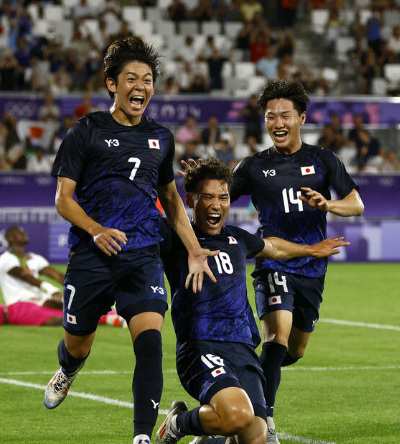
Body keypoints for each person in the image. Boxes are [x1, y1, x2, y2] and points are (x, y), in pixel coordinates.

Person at [43, 36, 218, 444]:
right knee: (78, 344)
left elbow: (171, 197)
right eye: (131, 79)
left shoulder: (161, 137)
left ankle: (141, 436)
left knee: (151, 342)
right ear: (112, 84)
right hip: (91, 256)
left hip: (141, 255)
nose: (141, 86)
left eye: (148, 80)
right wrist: (97, 230)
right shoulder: (85, 131)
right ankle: (68, 369)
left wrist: (194, 249)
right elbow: (62, 200)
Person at [155, 158, 349, 444]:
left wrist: (309, 249)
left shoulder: (237, 238)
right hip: (201, 347)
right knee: (237, 416)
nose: (216, 205)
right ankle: (177, 423)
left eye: (223, 197)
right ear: (189, 199)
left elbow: (273, 247)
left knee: (254, 435)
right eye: (206, 196)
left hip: (244, 350)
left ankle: (208, 431)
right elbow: (143, 217)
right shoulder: (173, 237)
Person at [230, 80, 364, 443]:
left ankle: (238, 387)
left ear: (301, 118)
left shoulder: (322, 160)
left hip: (313, 268)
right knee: (276, 337)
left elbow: (357, 204)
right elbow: (218, 198)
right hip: (274, 262)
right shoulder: (253, 166)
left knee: (295, 349)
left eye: (284, 114)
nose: (277, 121)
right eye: (270, 115)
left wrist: (328, 204)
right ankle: (263, 422)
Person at [0, 226, 125, 327]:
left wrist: (81, 288)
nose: (23, 232)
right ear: (10, 238)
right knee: (62, 312)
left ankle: (114, 315)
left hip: (39, 297)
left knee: (70, 303)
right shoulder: (5, 259)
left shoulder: (34, 258)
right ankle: (108, 319)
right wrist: (50, 288)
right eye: (18, 231)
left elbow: (56, 275)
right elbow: (24, 276)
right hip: (20, 302)